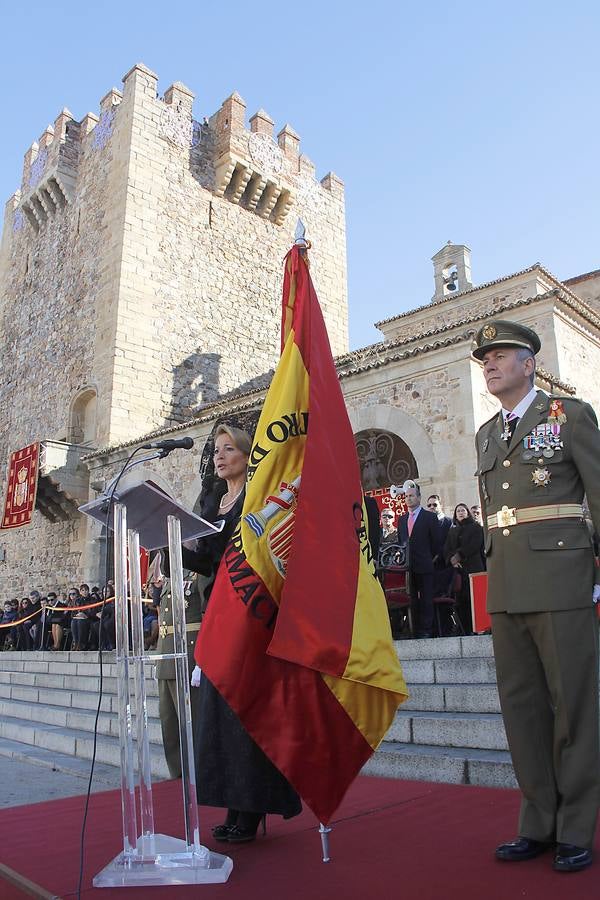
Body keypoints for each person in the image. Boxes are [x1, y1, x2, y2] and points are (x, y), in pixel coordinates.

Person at [473, 318, 600, 873]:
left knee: (573, 705)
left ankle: (576, 826)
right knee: (522, 709)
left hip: (561, 576)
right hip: (506, 583)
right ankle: (538, 822)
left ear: (529, 362)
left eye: (500, 355)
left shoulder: (568, 417)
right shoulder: (486, 434)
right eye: (485, 359)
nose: (490, 364)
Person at [186, 424, 301, 842]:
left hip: (252, 613)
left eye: (228, 448)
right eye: (215, 450)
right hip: (220, 615)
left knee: (248, 709)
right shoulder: (214, 502)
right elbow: (208, 564)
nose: (219, 456)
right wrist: (165, 544)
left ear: (246, 454)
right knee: (222, 711)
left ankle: (254, 807)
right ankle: (234, 802)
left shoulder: (257, 499)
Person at [397, 483, 441, 638]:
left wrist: (430, 558)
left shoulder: (429, 517)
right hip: (408, 567)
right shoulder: (402, 520)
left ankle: (427, 630)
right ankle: (414, 629)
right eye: (406, 496)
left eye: (411, 496)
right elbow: (401, 542)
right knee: (412, 599)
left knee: (427, 598)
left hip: (425, 564)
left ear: (419, 498)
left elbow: (437, 542)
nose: (408, 499)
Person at [443, 503, 485, 633]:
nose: (460, 513)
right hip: (458, 571)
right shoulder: (452, 530)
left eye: (463, 510)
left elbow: (475, 545)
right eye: (458, 511)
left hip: (473, 567)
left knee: (475, 599)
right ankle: (465, 629)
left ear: (467, 512)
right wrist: (451, 559)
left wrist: (459, 555)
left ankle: (479, 628)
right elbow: (447, 548)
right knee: (461, 601)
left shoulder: (476, 527)